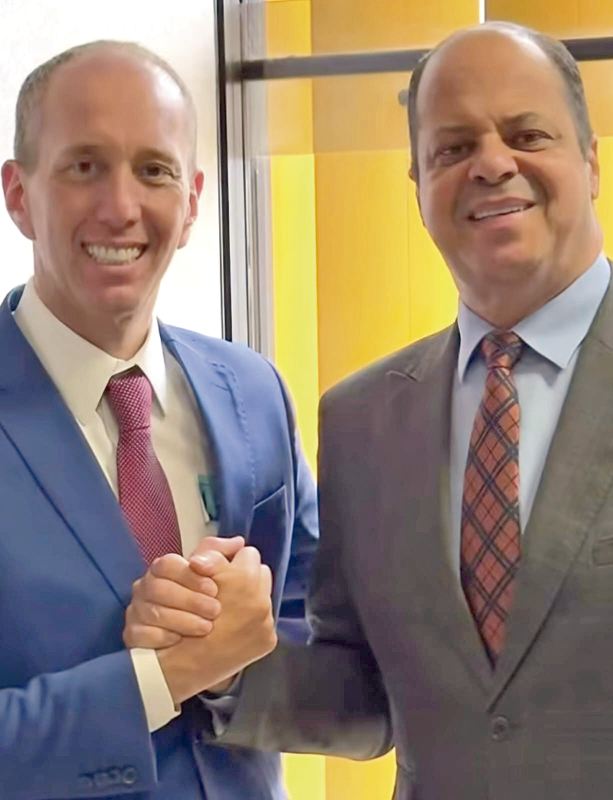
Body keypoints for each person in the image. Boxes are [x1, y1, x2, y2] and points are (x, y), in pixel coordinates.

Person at [125, 21, 613, 799]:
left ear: (589, 161)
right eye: (452, 148)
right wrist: (219, 665)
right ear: (417, 186)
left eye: (526, 135)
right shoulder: (360, 419)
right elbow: (363, 697)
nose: (491, 164)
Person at [0, 40, 318, 800]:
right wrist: (163, 676)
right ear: (18, 195)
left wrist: (230, 670)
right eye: (84, 166)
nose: (121, 207)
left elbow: (326, 647)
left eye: (154, 170)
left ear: (194, 201)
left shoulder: (254, 392)